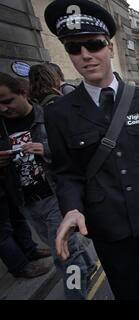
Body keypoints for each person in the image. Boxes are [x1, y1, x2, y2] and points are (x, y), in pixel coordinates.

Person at [43, 0, 139, 300]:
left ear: (110, 47)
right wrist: (73, 209)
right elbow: (65, 172)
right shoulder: (59, 113)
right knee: (128, 293)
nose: (86, 55)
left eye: (93, 44)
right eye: (73, 48)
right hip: (106, 224)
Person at [0, 72, 96, 299]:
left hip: (56, 197)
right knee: (66, 248)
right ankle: (89, 264)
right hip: (25, 202)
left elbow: (78, 156)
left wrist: (47, 151)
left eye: (7, 101)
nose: (3, 108)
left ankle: (75, 295)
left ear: (23, 93)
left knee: (63, 256)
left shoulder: (51, 117)